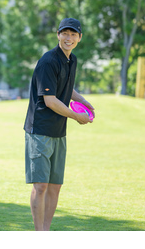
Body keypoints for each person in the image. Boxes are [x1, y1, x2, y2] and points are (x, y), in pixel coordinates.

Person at [23, 17, 95, 231]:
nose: (69, 38)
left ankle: (46, 230)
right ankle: (39, 233)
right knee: (41, 185)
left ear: (79, 38)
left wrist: (82, 101)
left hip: (58, 132)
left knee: (55, 186)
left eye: (73, 34)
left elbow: (65, 88)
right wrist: (77, 116)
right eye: (65, 33)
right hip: (40, 130)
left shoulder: (72, 61)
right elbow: (50, 100)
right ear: (58, 35)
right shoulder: (48, 61)